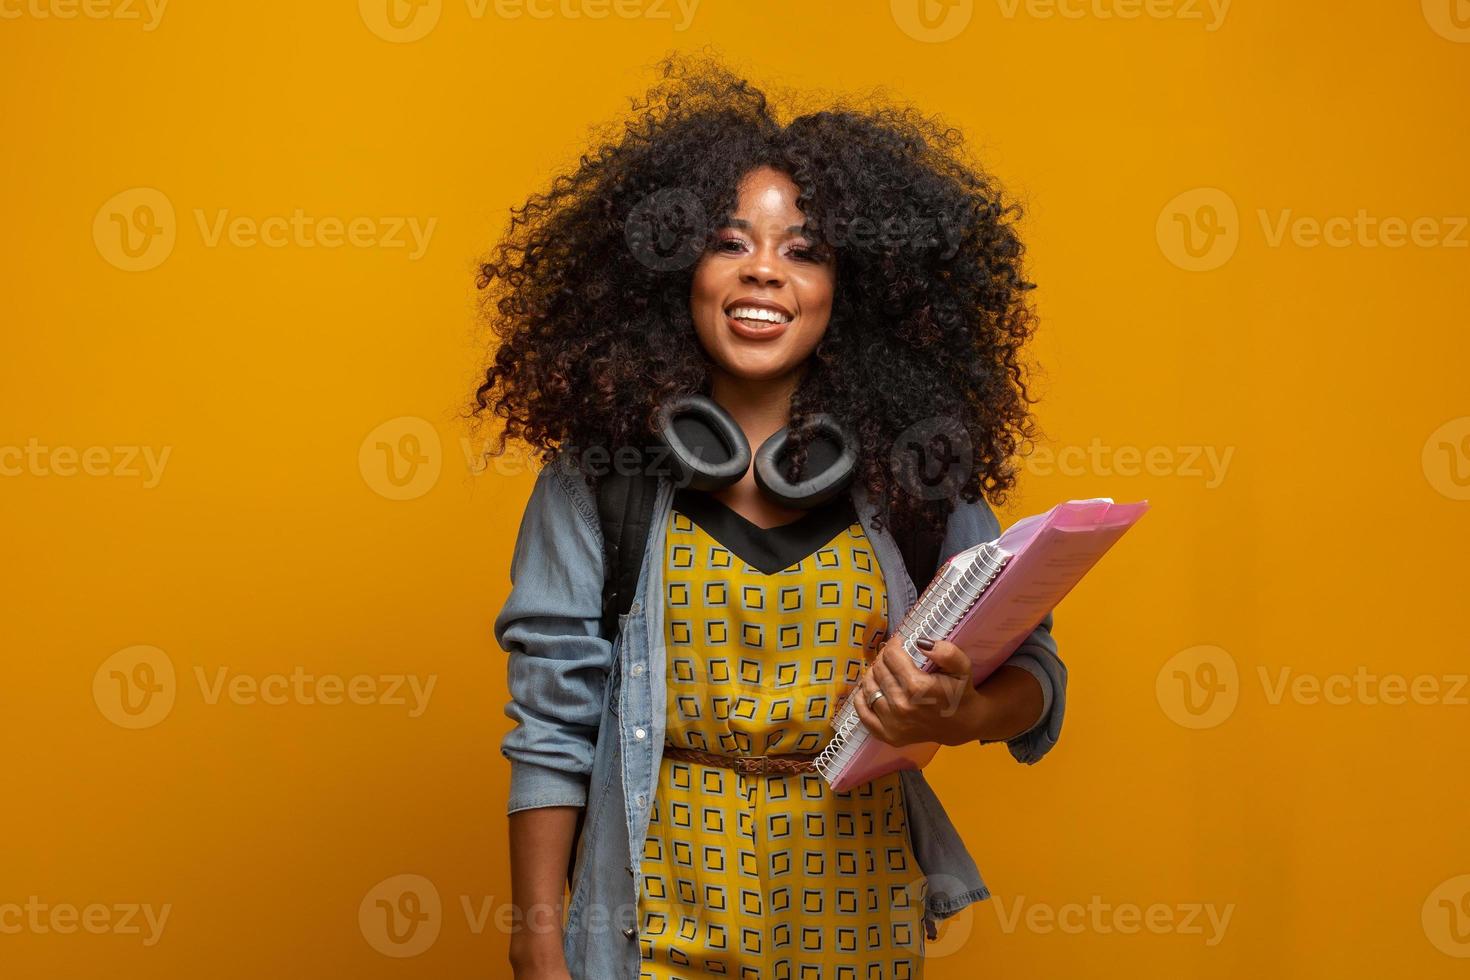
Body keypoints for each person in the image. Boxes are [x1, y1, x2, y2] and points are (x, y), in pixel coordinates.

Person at [472, 53, 1067, 980]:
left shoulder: (921, 474)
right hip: (651, 920)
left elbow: (1034, 670)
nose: (764, 274)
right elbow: (551, 721)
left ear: (852, 287)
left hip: (856, 926)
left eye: (804, 251)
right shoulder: (600, 478)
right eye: (728, 242)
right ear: (675, 271)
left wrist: (961, 710)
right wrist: (537, 937)